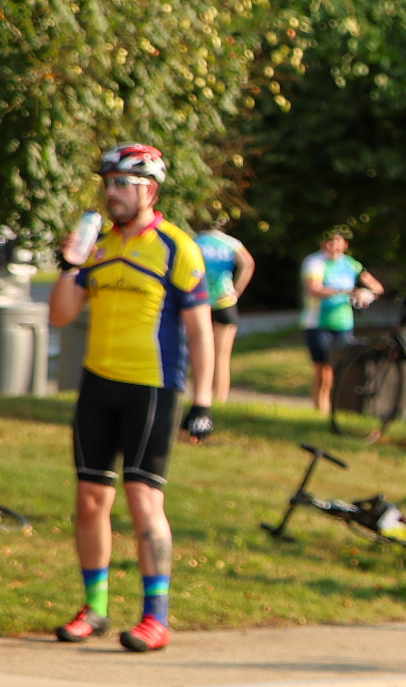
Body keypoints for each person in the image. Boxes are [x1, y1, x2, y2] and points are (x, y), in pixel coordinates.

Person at [48, 144, 214, 653]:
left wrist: (203, 403)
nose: (112, 192)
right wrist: (70, 264)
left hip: (152, 388)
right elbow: (61, 315)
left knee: (144, 500)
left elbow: (201, 331)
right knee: (90, 499)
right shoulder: (99, 246)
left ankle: (155, 616)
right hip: (98, 384)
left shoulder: (176, 247)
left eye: (123, 183)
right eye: (109, 183)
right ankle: (94, 608)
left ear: (151, 191)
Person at [299, 231, 380, 419]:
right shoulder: (315, 262)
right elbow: (314, 289)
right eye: (328, 240)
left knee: (340, 368)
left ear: (345, 244)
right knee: (323, 369)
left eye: (336, 241)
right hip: (318, 322)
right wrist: (346, 291)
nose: (332, 244)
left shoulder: (351, 264)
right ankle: (320, 408)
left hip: (343, 323)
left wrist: (366, 294)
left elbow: (377, 287)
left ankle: (335, 407)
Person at [196, 223, 256, 406]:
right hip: (225, 301)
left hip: (200, 301)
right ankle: (221, 398)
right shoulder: (230, 242)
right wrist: (237, 290)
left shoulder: (195, 241)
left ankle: (202, 395)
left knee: (202, 351)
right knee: (222, 355)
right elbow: (248, 263)